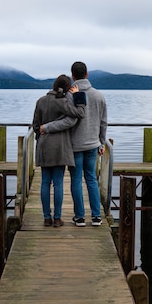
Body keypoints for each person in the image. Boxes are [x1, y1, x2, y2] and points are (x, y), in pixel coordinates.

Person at [42, 62, 107, 227]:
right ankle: (96, 216)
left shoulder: (69, 95)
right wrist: (102, 142)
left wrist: (47, 127)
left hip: (74, 145)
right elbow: (103, 122)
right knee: (91, 179)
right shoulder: (99, 95)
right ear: (87, 74)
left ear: (73, 75)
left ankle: (79, 217)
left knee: (76, 180)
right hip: (93, 144)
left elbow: (68, 121)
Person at [32, 74, 86, 227]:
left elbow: (36, 125)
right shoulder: (62, 102)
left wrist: (41, 138)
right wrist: (79, 98)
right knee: (58, 183)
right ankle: (57, 218)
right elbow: (79, 114)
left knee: (44, 182)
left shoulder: (41, 101)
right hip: (60, 147)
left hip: (44, 145)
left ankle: (46, 218)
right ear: (68, 88)